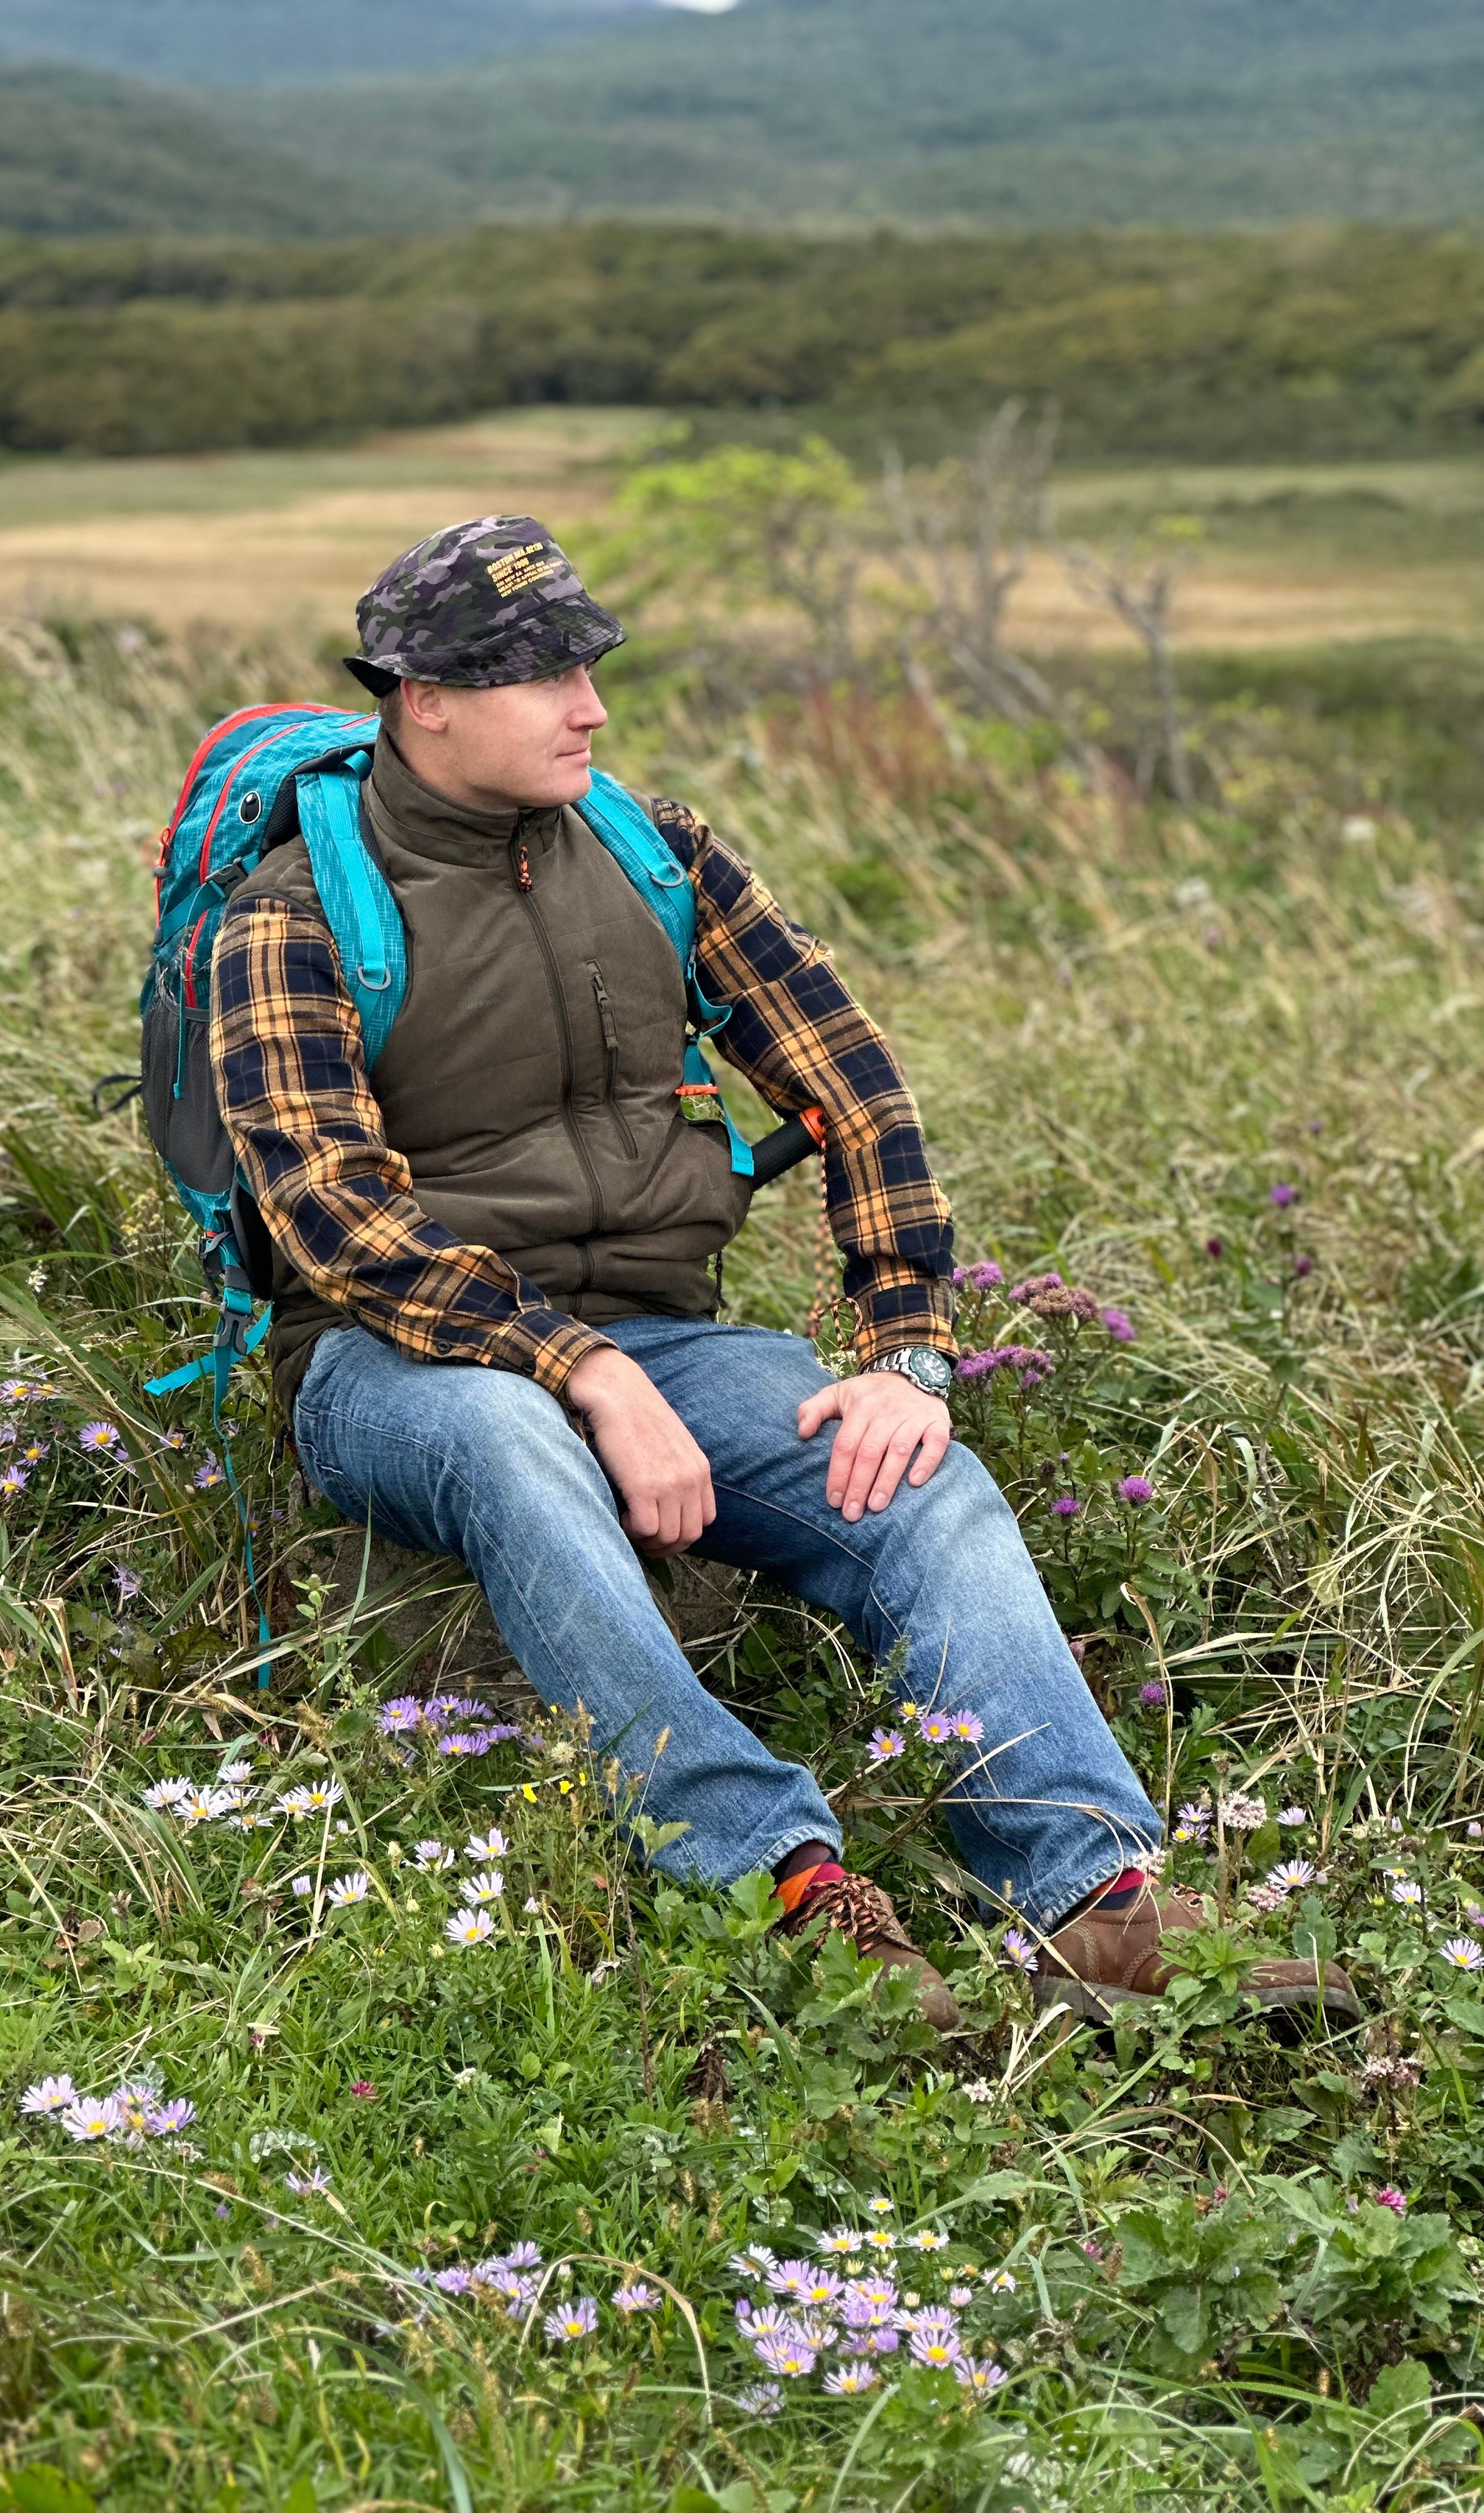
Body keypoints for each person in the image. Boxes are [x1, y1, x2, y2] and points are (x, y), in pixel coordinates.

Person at [212, 515, 1355, 2030]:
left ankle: (1090, 1899)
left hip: (659, 1342)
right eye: (537, 676)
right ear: (418, 695)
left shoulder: (652, 848)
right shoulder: (289, 914)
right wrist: (582, 1374)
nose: (587, 706)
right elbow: (338, 1225)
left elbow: (850, 1083)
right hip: (389, 1369)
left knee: (914, 1478)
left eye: (587, 665)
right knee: (509, 1442)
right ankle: (776, 1887)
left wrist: (905, 1351)